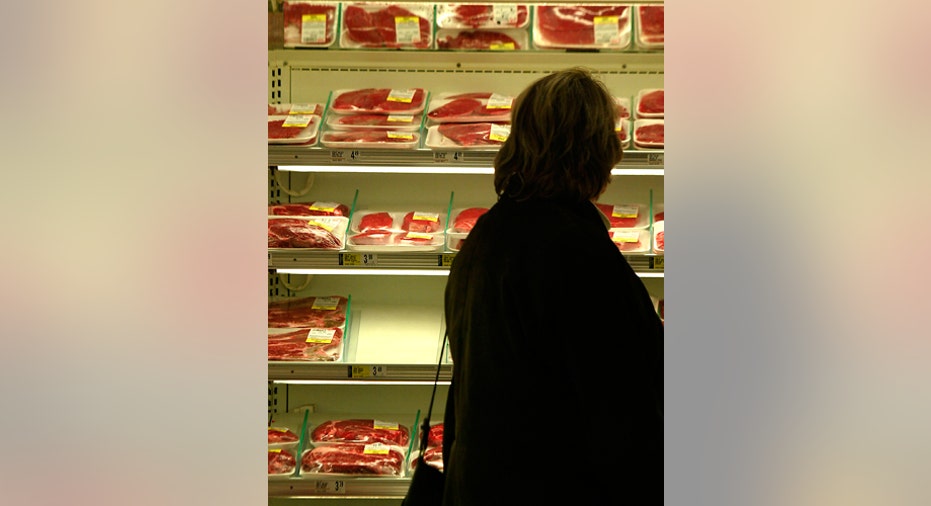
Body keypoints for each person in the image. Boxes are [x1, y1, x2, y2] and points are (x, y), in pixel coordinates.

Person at [440, 67, 664, 505]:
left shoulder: (486, 236)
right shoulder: (573, 250)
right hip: (552, 486)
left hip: (480, 485)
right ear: (592, 149)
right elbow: (618, 399)